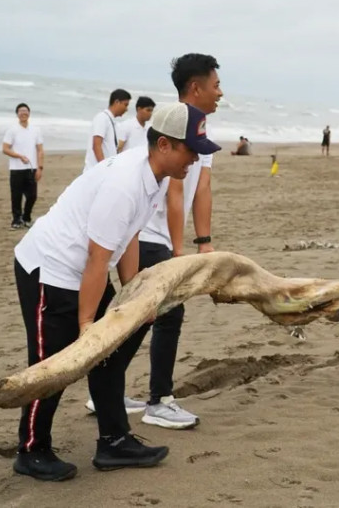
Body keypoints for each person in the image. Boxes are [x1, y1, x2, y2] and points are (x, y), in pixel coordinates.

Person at [11, 101, 220, 481]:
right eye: (191, 150)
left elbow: (129, 236)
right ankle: (31, 449)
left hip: (85, 268)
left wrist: (133, 296)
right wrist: (88, 325)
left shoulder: (154, 176)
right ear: (164, 145)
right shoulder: (125, 183)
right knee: (52, 361)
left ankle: (114, 441)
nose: (195, 159)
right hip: (50, 268)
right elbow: (98, 256)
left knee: (108, 352)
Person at [91, 54, 222, 429]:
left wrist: (205, 240)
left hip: (158, 235)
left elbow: (202, 189)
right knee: (162, 313)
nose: (220, 92)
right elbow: (175, 193)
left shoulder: (200, 130)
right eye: (215, 85)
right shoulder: (174, 126)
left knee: (146, 315)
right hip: (149, 233)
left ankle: (107, 391)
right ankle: (157, 401)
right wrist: (179, 251)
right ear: (195, 87)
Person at [3, 103, 45, 230]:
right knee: (16, 196)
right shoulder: (12, 130)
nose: (23, 113)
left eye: (25, 110)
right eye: (21, 111)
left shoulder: (35, 130)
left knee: (32, 196)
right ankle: (16, 220)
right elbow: (5, 149)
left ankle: (26, 218)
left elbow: (40, 150)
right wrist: (19, 156)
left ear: (29, 113)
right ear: (17, 114)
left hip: (31, 168)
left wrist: (40, 167)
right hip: (16, 168)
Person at [84, 89, 131, 171]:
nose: (126, 109)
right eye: (125, 105)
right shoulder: (102, 118)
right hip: (96, 171)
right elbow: (96, 145)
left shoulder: (112, 122)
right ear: (117, 102)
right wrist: (103, 168)